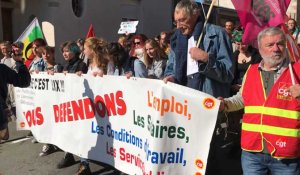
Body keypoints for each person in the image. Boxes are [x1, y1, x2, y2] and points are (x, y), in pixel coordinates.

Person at [163, 1, 234, 174]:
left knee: (207, 156)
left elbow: (228, 74)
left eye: (183, 20)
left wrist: (206, 59)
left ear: (195, 14)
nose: (179, 25)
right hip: (181, 105)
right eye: (176, 21)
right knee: (184, 152)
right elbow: (171, 69)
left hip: (205, 105)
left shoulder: (217, 34)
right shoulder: (176, 39)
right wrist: (171, 77)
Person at [220, 27, 300, 175]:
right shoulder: (251, 70)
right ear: (260, 48)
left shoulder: (297, 70)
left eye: (280, 44)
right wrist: (224, 104)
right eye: (270, 45)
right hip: (252, 150)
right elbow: (241, 99)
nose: (276, 49)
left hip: (286, 153)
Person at [56, 41, 88, 171]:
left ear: (75, 51)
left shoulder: (82, 65)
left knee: (81, 133)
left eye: (67, 50)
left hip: (79, 104)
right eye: (63, 51)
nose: (64, 53)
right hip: (67, 103)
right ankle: (68, 155)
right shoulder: (65, 65)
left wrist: (79, 76)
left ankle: (84, 163)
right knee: (68, 131)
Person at [0, 52, 31, 140]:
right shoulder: (1, 69)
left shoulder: (2, 69)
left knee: (4, 134)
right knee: (4, 135)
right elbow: (24, 81)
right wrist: (20, 62)